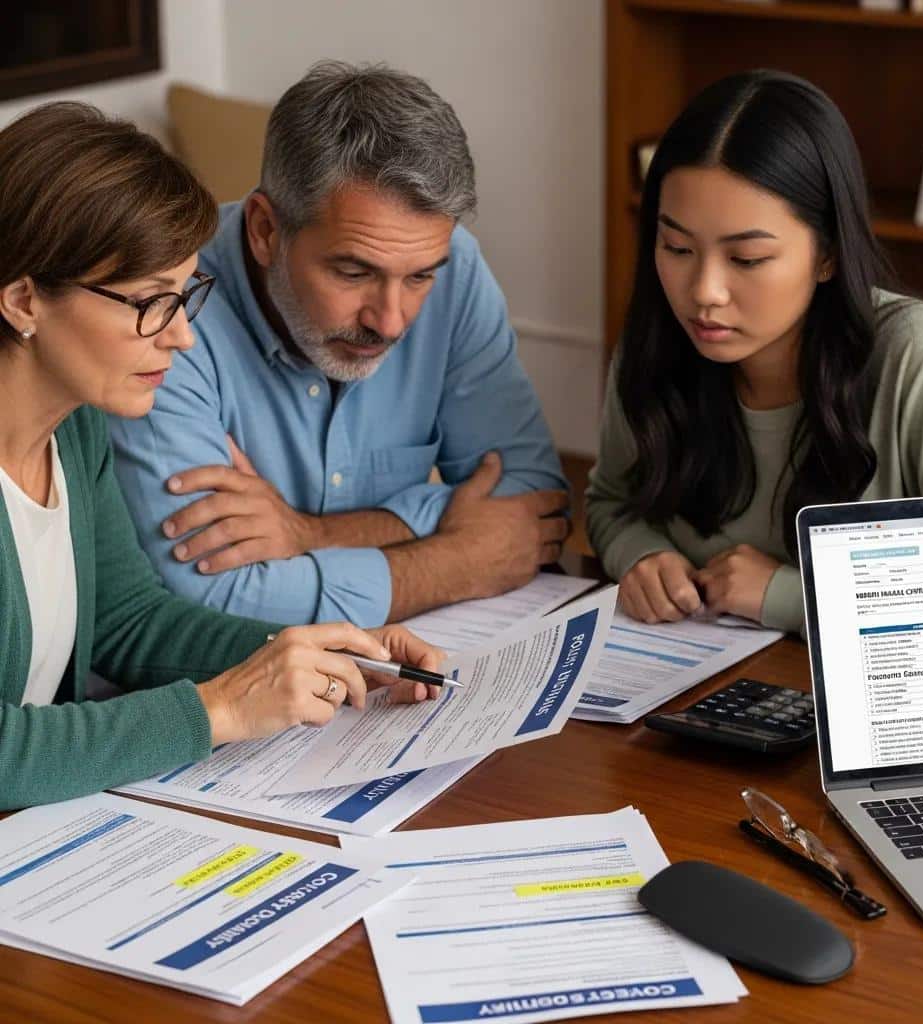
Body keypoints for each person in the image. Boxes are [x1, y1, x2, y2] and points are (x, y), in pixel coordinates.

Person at [0, 102, 441, 811]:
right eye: (149, 302)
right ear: (23, 300)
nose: (179, 337)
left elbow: (128, 623)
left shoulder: (75, 430)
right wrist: (220, 710)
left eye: (185, 296)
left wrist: (314, 654)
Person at [108, 62, 569, 629]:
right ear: (265, 231)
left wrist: (310, 535)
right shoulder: (167, 309)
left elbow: (532, 506)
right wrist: (457, 561)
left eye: (420, 277)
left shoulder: (455, 268)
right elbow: (213, 596)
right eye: (354, 273)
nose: (392, 322)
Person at [587, 70, 923, 634]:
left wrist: (790, 595)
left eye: (746, 259)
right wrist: (640, 555)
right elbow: (610, 501)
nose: (702, 292)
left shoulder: (922, 354)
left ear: (828, 255)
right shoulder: (657, 342)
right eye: (677, 247)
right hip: (695, 685)